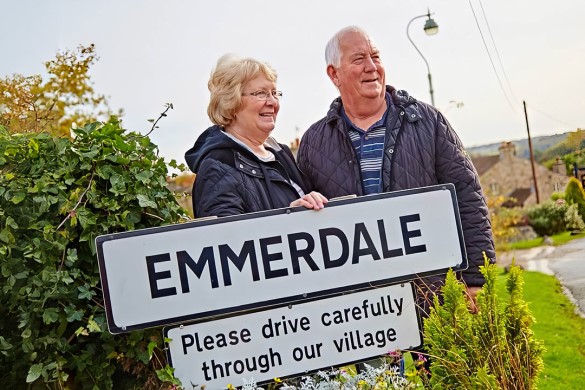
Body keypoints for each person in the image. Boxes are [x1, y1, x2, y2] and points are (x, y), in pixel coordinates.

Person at [296, 26, 495, 314]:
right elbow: (306, 227)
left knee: (443, 361)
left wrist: (476, 279)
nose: (371, 67)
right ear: (334, 74)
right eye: (358, 59)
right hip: (362, 311)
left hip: (438, 297)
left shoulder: (427, 121)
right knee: (380, 363)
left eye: (375, 56)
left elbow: (468, 197)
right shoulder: (314, 143)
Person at [185, 54, 327, 218]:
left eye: (274, 93)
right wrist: (289, 220)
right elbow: (225, 239)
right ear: (232, 101)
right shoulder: (217, 167)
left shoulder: (281, 154)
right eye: (261, 93)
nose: (273, 102)